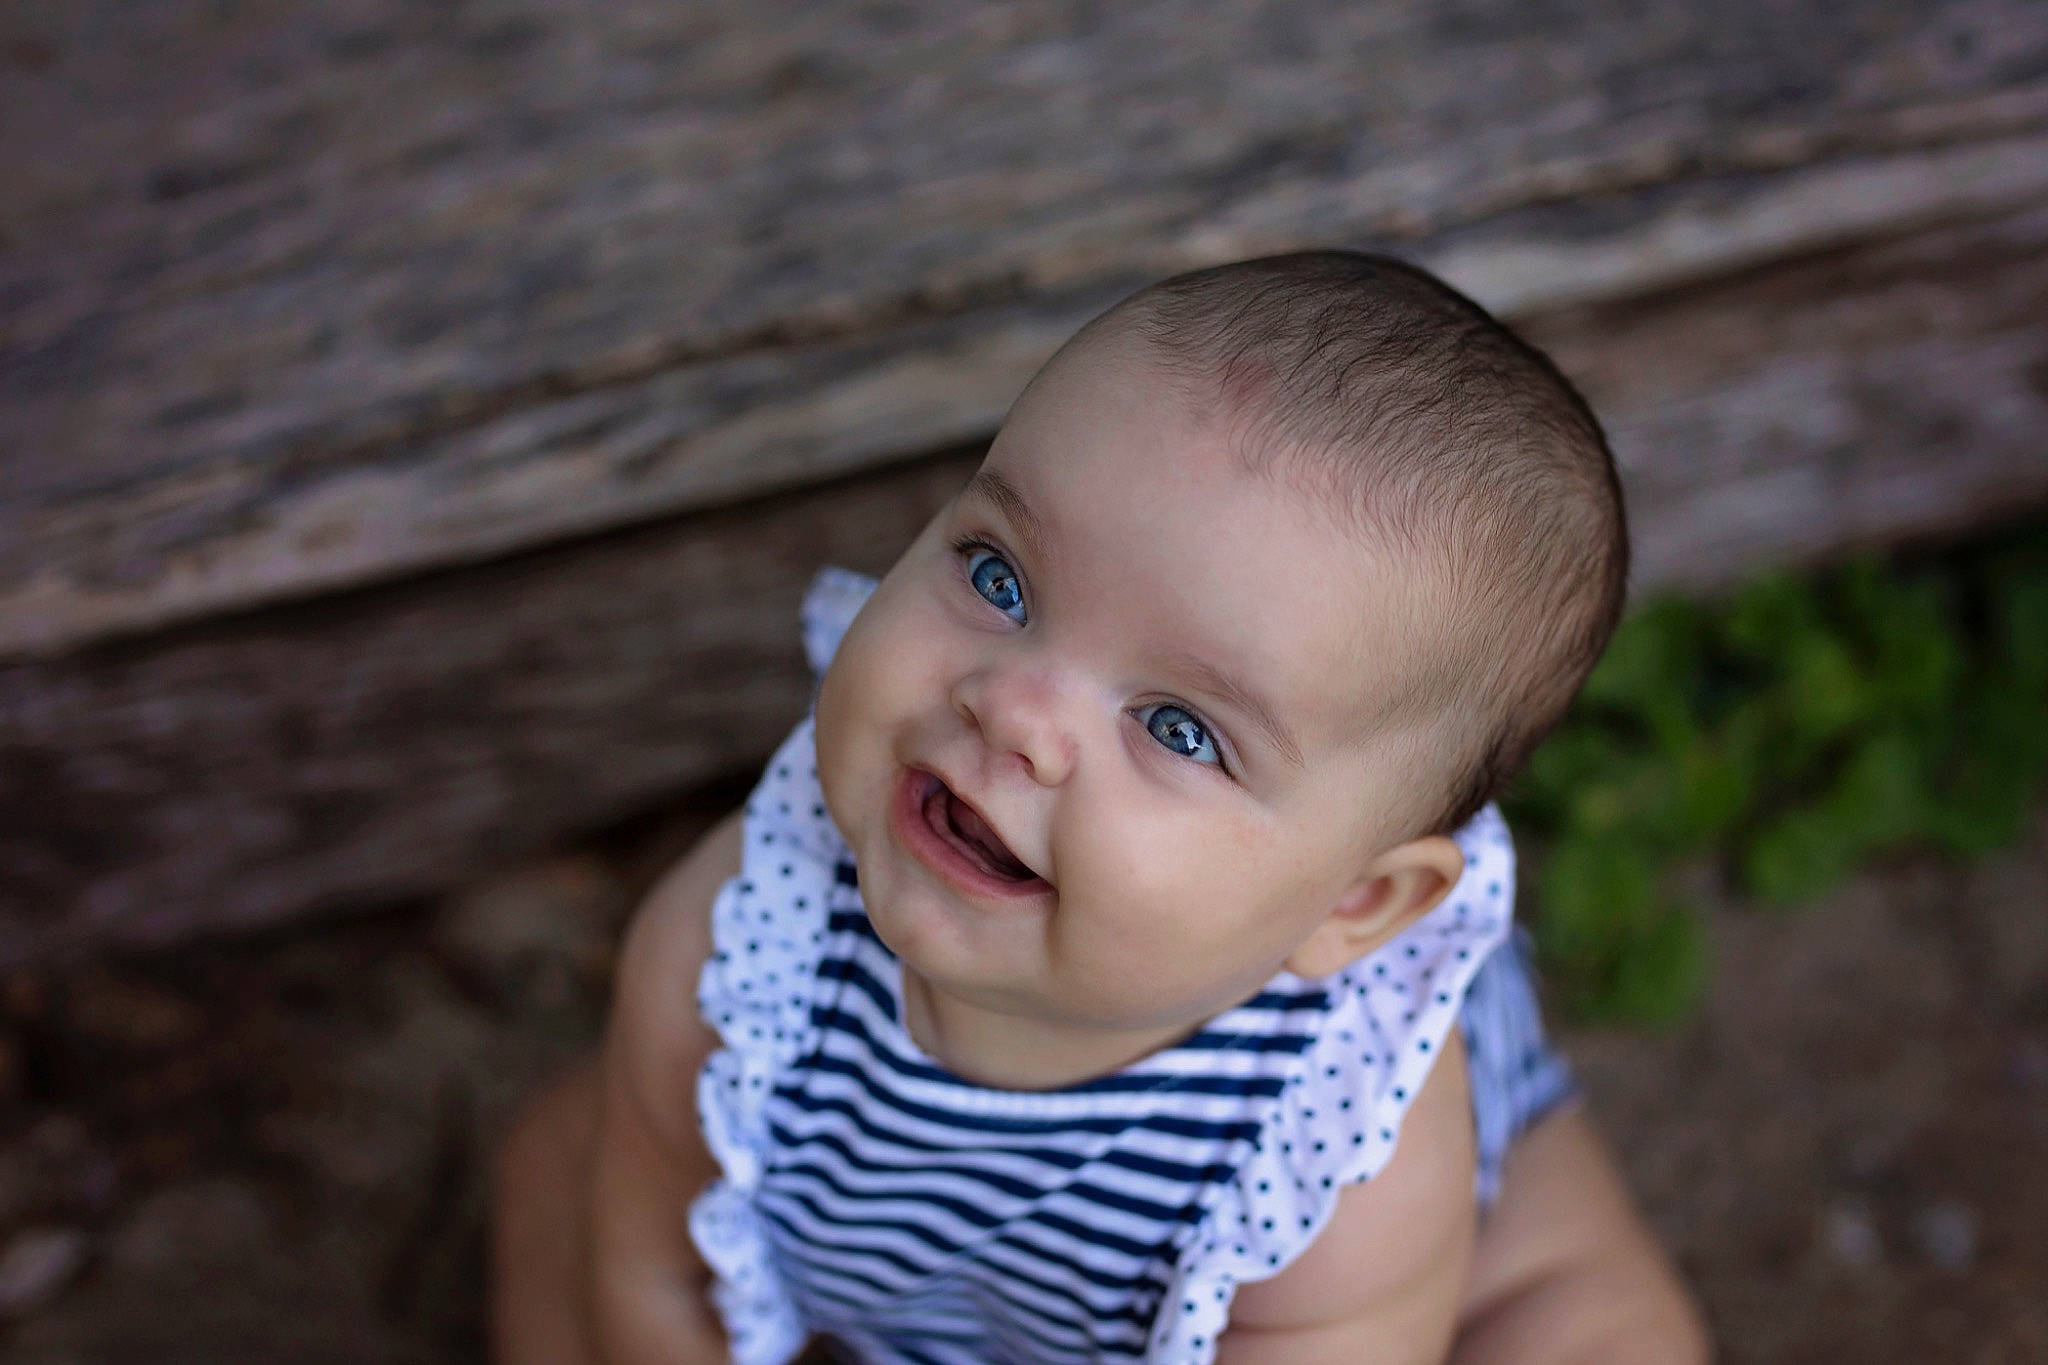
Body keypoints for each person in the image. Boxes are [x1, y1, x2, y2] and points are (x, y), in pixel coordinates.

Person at [492, 252, 1712, 1364]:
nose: (1015, 711)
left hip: (1406, 1260)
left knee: (1595, 1333)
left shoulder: (1340, 1165)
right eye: (997, 575)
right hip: (867, 1232)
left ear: (1352, 899)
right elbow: (653, 1269)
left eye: (1179, 728)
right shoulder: (735, 955)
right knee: (565, 1169)